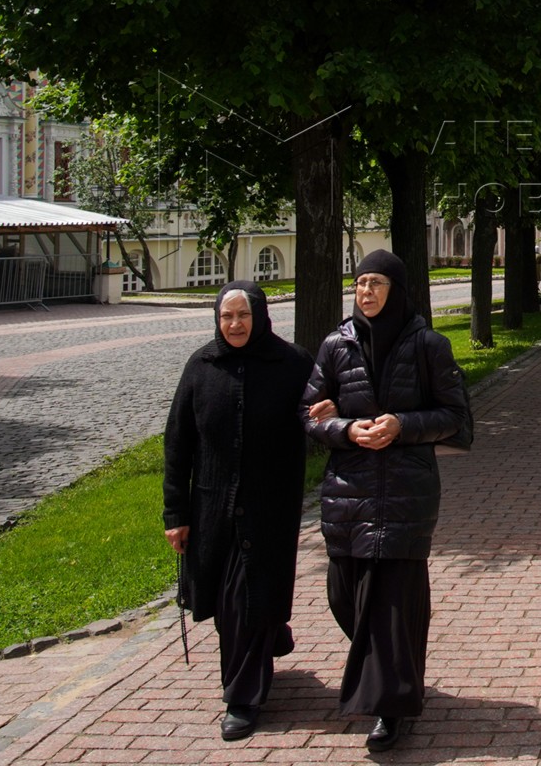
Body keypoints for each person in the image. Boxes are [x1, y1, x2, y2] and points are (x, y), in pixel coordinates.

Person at [304, 250, 472, 752]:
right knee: (343, 595)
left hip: (405, 493)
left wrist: (402, 426)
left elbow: (457, 418)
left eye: (376, 283)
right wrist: (342, 427)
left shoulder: (429, 346)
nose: (366, 292)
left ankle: (390, 707)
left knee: (395, 603)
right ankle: (396, 676)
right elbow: (308, 413)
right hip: (347, 493)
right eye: (359, 284)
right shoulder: (336, 345)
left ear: (395, 289)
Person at [163, 282, 314, 742]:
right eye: (226, 316)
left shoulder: (292, 364)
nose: (234, 324)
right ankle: (269, 637)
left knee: (243, 600)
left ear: (261, 315)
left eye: (242, 315)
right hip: (213, 509)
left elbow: (320, 416)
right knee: (231, 604)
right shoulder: (201, 366)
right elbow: (178, 443)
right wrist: (175, 514)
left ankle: (242, 699)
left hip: (271, 508)